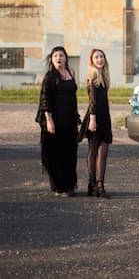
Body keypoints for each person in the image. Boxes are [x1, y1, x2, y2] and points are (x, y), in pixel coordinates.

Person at [36, 46, 79, 197]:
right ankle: (59, 187)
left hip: (70, 119)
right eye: (55, 56)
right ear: (52, 59)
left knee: (70, 153)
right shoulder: (50, 77)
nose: (58, 58)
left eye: (61, 55)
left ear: (66, 57)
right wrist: (49, 120)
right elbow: (44, 99)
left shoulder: (71, 73)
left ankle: (69, 184)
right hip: (55, 120)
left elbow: (73, 97)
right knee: (56, 153)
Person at [79, 48, 112, 198]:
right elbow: (92, 100)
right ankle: (92, 185)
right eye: (96, 57)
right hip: (95, 118)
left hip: (104, 118)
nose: (100, 59)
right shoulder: (92, 77)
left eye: (102, 57)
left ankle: (100, 185)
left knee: (103, 151)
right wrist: (92, 119)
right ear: (92, 60)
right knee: (93, 151)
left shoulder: (104, 76)